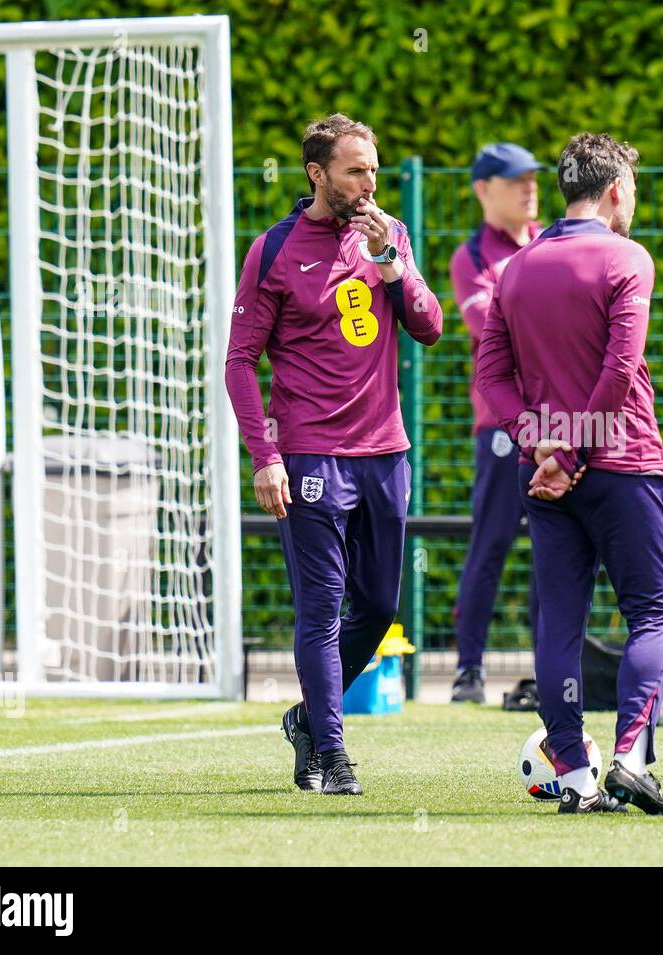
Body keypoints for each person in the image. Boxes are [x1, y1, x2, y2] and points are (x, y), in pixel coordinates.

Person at [225, 114, 442, 796]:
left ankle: (307, 721)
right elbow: (239, 363)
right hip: (312, 457)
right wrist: (265, 454)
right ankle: (335, 752)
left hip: (386, 454)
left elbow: (431, 328)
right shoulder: (274, 249)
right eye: (356, 170)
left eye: (374, 169)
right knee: (321, 606)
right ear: (317, 174)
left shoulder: (391, 236)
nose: (370, 182)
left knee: (378, 607)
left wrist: (393, 265)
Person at [476, 132, 663, 814]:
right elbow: (618, 372)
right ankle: (630, 756)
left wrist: (539, 447)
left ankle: (573, 777)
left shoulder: (517, 269)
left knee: (559, 621)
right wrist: (570, 452)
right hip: (623, 463)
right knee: (654, 612)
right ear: (617, 188)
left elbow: (490, 377)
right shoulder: (627, 258)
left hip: (548, 479)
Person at [448, 143, 543, 704]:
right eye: (515, 180)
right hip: (504, 427)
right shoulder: (471, 256)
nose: (529, 188)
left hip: (562, 422)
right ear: (484, 189)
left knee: (558, 547)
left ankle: (553, 669)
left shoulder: (552, 239)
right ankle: (468, 672)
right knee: (492, 542)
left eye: (532, 178)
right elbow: (493, 334)